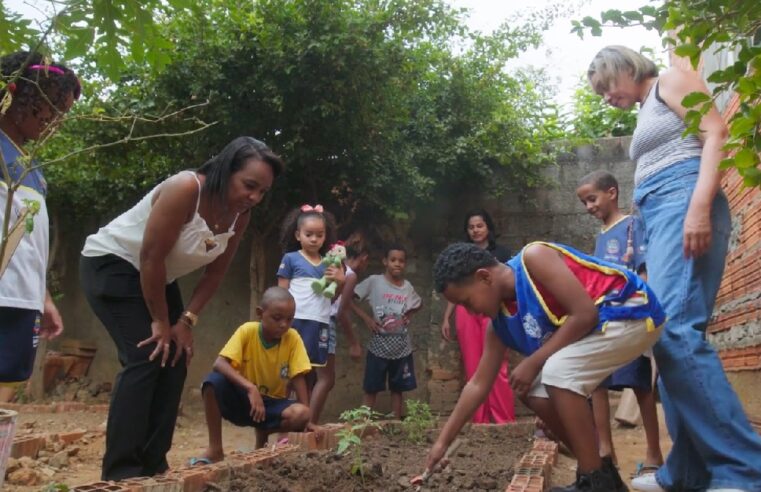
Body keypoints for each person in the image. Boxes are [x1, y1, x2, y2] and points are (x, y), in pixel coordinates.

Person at [588, 45, 761, 491]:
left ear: (626, 67)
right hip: (660, 213)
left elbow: (715, 132)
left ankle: (744, 470)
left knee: (676, 332)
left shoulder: (671, 79)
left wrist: (699, 207)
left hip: (683, 201)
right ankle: (684, 472)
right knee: (666, 336)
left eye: (607, 85)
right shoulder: (647, 107)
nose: (606, 96)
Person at [79, 136, 283, 480]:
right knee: (145, 354)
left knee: (176, 358)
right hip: (113, 264)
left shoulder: (239, 217)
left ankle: (153, 463)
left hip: (158, 277)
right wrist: (160, 321)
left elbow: (215, 273)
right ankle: (121, 472)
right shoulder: (185, 189)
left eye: (262, 192)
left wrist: (186, 321)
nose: (254, 198)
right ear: (225, 170)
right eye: (249, 186)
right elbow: (150, 257)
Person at [427, 242, 666, 492]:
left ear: (484, 277)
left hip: (630, 309)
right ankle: (603, 477)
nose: (470, 311)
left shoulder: (534, 259)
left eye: (466, 302)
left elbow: (585, 314)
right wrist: (442, 442)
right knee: (533, 389)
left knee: (555, 372)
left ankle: (593, 480)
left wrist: (534, 361)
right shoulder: (498, 327)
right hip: (602, 329)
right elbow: (477, 384)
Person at [0, 51, 80, 402]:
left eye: (62, 114)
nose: (54, 120)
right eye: (50, 107)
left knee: (5, 386)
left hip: (21, 299)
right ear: (16, 94)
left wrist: (42, 295)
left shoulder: (31, 167)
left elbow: (27, 236)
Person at [576, 170, 663, 477]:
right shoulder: (600, 238)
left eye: (592, 198)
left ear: (612, 192)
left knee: (640, 386)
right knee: (597, 383)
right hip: (604, 321)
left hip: (629, 319)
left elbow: (643, 272)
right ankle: (605, 453)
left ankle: (654, 453)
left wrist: (640, 313)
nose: (589, 207)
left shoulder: (632, 226)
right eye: (584, 202)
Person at [192, 287, 312, 463]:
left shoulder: (292, 338)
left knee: (301, 413)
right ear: (260, 313)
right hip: (244, 399)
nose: (284, 325)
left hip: (272, 404)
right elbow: (219, 363)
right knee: (212, 382)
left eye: (289, 319)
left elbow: (298, 377)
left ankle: (263, 436)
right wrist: (250, 388)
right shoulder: (248, 331)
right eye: (277, 318)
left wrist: (307, 418)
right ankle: (215, 449)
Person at [440, 209, 514, 424]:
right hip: (465, 310)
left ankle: (504, 421)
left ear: (488, 227)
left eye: (479, 226)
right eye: (471, 227)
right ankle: (478, 421)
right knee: (473, 364)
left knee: (498, 366)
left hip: (495, 309)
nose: (475, 230)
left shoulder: (502, 253)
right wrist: (447, 317)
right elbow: (455, 288)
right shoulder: (460, 255)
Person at [276, 204, 343, 409]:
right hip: (295, 322)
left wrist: (340, 282)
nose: (314, 239)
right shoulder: (291, 259)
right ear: (298, 235)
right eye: (309, 234)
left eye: (319, 235)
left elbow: (331, 298)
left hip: (320, 323)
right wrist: (282, 320)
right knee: (287, 374)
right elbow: (282, 293)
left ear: (326, 237)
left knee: (310, 374)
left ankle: (304, 422)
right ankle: (283, 426)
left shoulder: (328, 264)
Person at [353, 244, 422, 419]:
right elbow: (348, 299)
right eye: (393, 260)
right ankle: (362, 422)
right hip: (378, 345)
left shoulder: (407, 287)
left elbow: (419, 303)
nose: (397, 264)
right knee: (371, 386)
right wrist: (367, 318)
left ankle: (396, 420)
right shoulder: (374, 281)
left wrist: (409, 314)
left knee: (397, 387)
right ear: (385, 262)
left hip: (401, 347)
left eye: (401, 261)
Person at [308, 232, 369, 424]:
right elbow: (341, 312)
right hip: (325, 324)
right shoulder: (349, 276)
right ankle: (309, 424)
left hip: (307, 321)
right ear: (364, 258)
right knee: (326, 379)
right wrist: (354, 343)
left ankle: (296, 424)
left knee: (307, 376)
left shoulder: (328, 266)